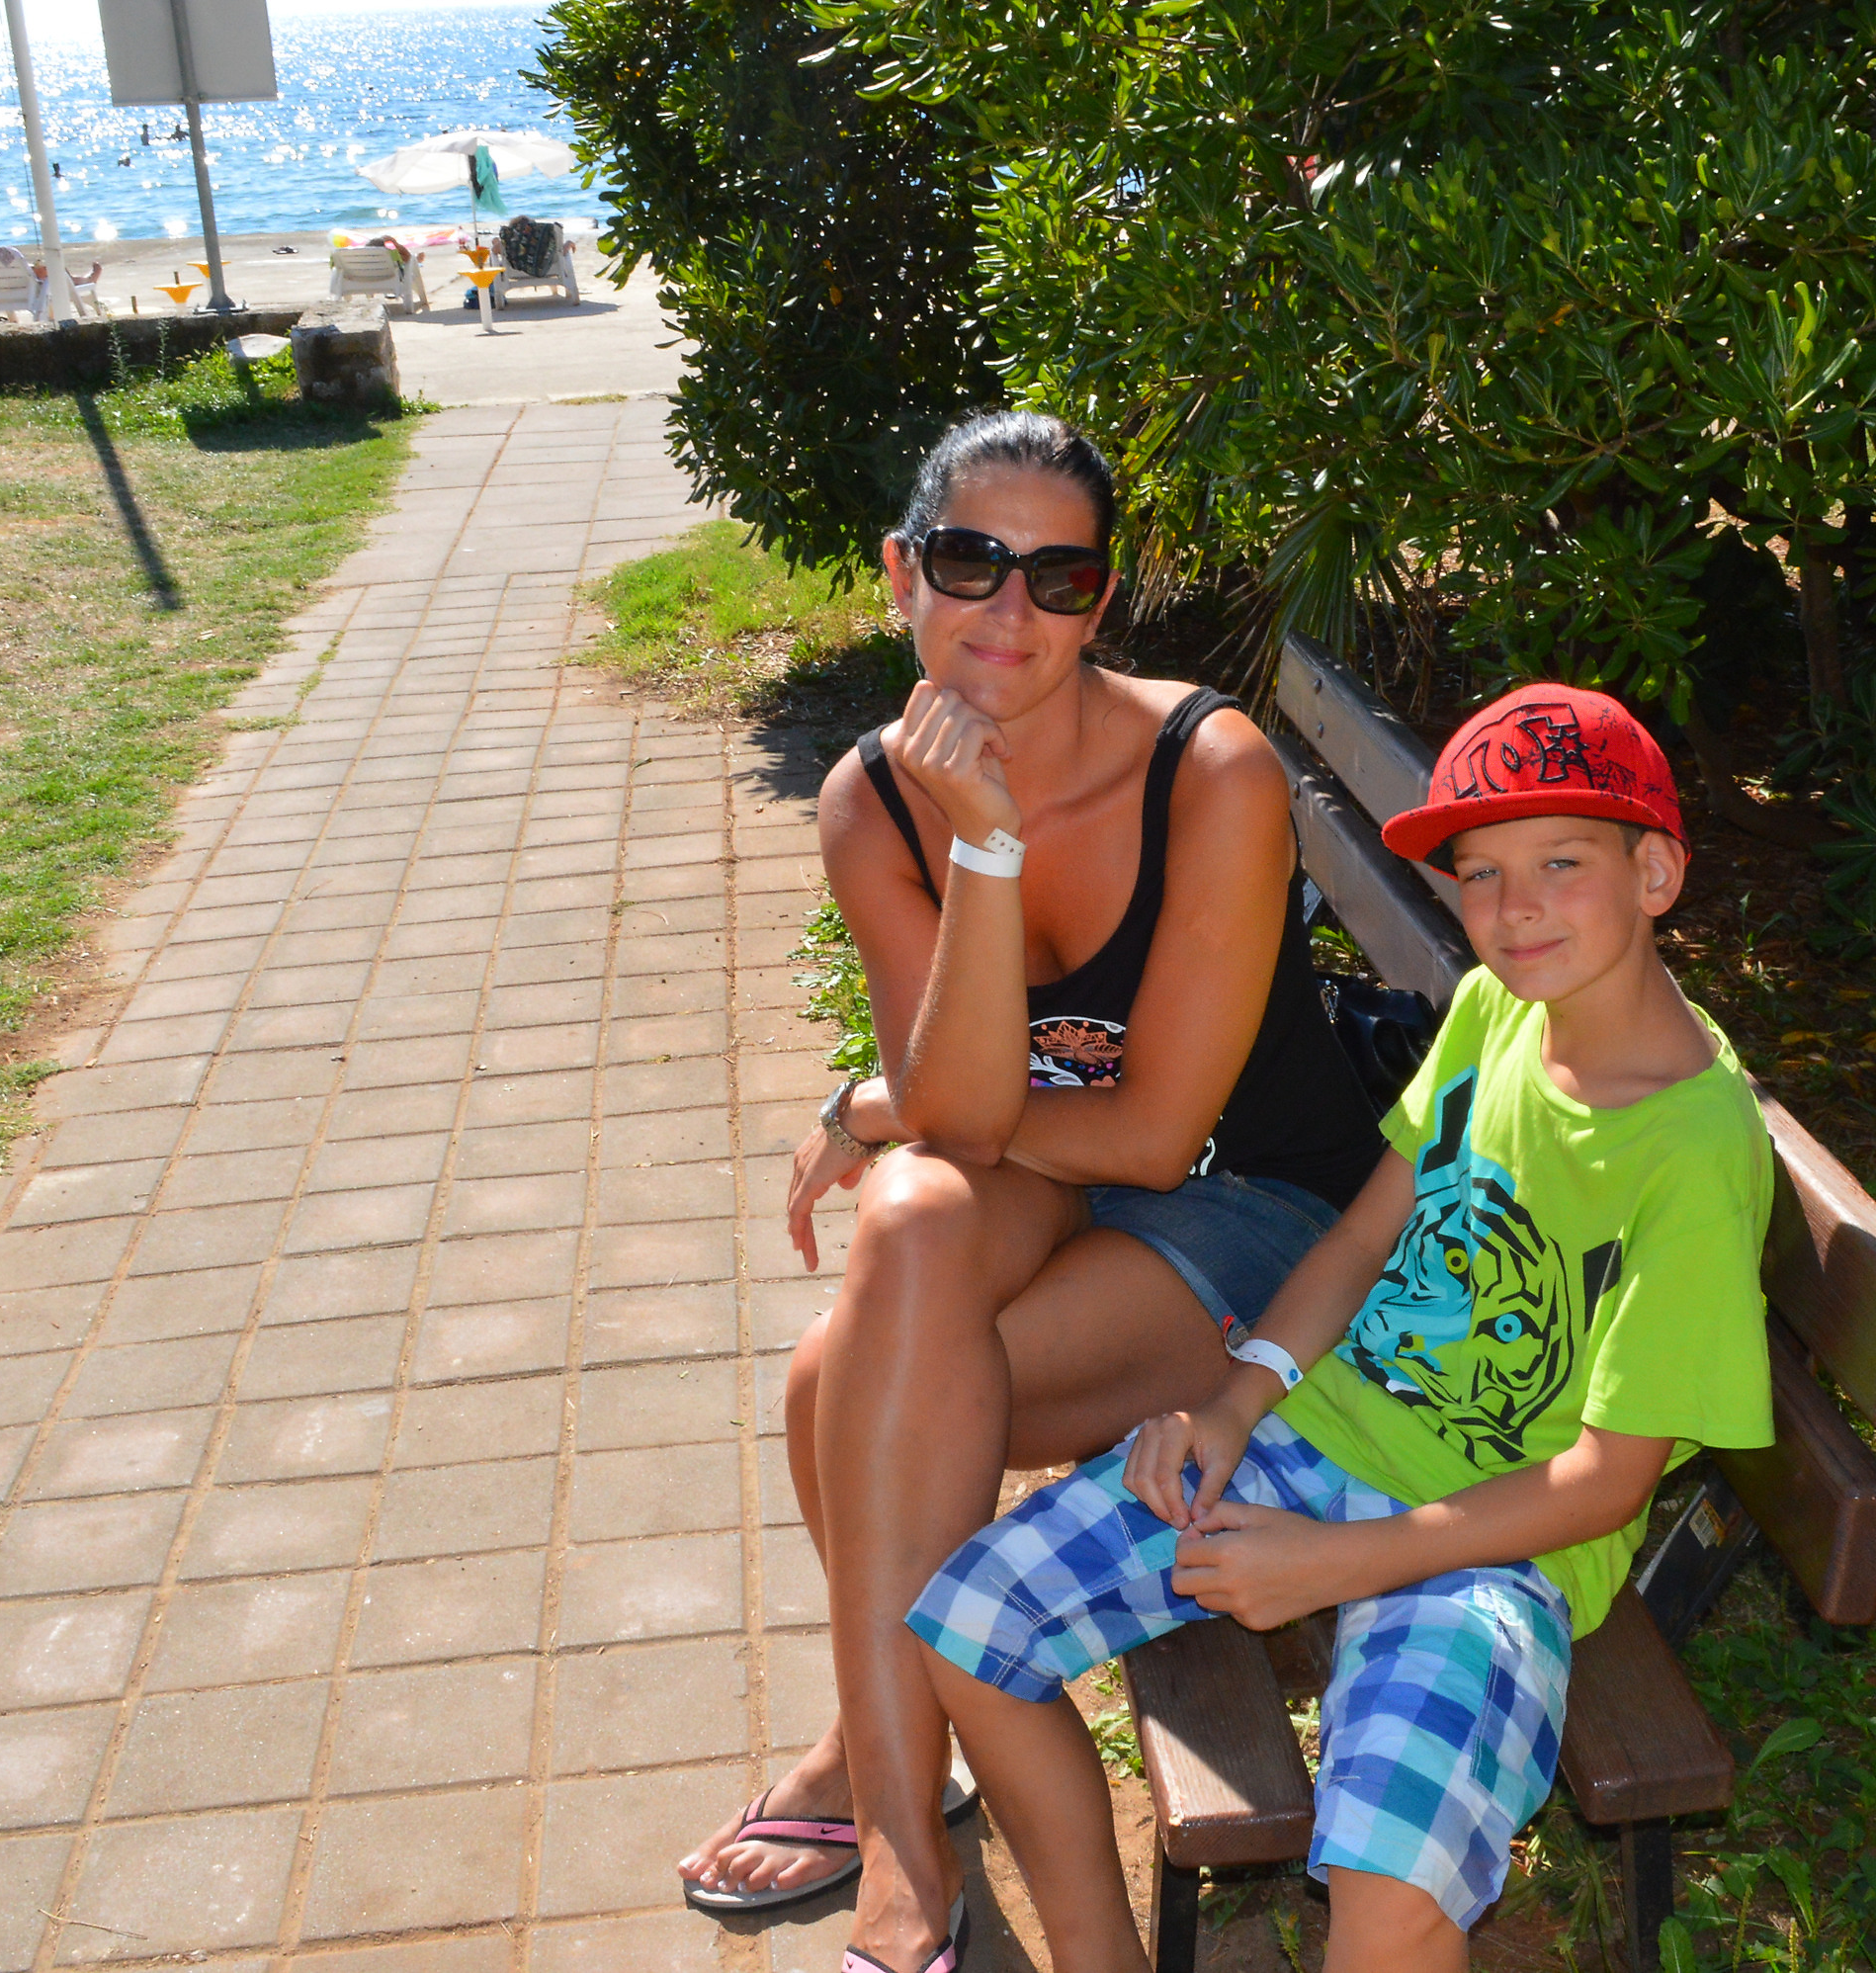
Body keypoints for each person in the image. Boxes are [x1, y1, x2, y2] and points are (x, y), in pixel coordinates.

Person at [907, 684, 1777, 1973]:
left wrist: (1334, 1566)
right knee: (971, 1627)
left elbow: (1606, 1484)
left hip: (1497, 1547)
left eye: (1561, 863)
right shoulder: (1495, 1012)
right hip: (1313, 1442)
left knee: (1390, 1881)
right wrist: (1232, 1404)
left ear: (1654, 873)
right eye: (1480, 874)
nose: (1515, 908)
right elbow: (1365, 1237)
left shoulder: (1692, 1149)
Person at [674, 411, 1387, 1964]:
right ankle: (898, 1821)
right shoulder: (874, 801)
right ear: (899, 575)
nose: (1009, 610)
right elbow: (956, 1118)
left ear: (1099, 600)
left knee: (841, 1384)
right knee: (912, 1214)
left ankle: (879, 1797)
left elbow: (1149, 1138)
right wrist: (973, 879)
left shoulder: (1206, 771)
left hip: (1258, 1212)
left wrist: (898, 1102)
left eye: (1056, 578)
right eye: (967, 562)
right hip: (1059, 1193)